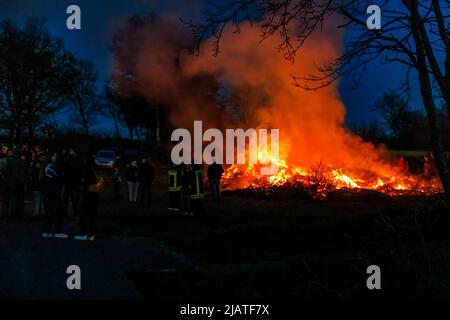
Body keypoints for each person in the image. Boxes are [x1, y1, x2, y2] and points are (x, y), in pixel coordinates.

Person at [75, 156, 103, 241]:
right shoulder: (96, 169)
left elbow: (86, 182)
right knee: (93, 215)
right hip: (95, 195)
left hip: (88, 196)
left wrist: (83, 181)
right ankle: (91, 234)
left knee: (83, 215)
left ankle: (83, 234)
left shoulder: (87, 170)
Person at [41, 152, 68, 239]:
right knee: (58, 212)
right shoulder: (50, 167)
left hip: (48, 192)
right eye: (55, 156)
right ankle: (58, 231)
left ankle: (46, 231)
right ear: (51, 157)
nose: (56, 158)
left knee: (48, 212)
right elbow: (54, 180)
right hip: (53, 193)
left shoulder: (46, 166)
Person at [4, 149, 27, 221]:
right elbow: (26, 174)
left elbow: (8, 174)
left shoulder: (11, 162)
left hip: (13, 183)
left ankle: (13, 216)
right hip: (21, 184)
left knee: (13, 200)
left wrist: (8, 182)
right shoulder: (23, 162)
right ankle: (20, 215)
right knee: (20, 200)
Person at [63, 149, 82, 217]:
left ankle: (65, 212)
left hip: (69, 183)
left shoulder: (67, 161)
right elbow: (80, 173)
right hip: (74, 183)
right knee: (74, 200)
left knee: (66, 199)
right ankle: (76, 213)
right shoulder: (77, 161)